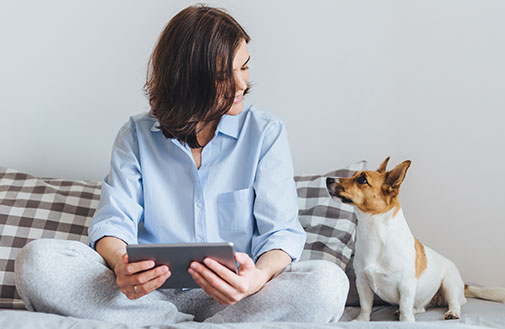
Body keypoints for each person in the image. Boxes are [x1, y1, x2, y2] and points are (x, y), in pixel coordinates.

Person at [14, 5, 348, 326]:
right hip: (145, 298)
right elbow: (113, 224)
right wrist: (122, 265)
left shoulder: (265, 133)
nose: (242, 84)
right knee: (37, 262)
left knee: (328, 284)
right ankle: (188, 325)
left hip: (239, 300)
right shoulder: (135, 136)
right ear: (186, 79)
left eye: (244, 66)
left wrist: (257, 278)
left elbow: (281, 233)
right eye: (222, 75)